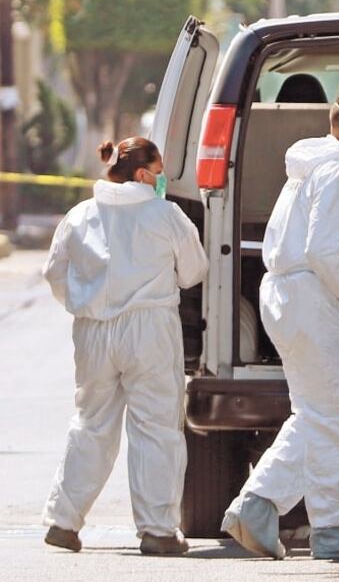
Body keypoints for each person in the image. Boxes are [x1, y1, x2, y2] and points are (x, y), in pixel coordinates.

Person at [221, 85, 339, 560]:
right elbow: (324, 249)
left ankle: (260, 506)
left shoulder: (311, 169)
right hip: (316, 297)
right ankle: (334, 529)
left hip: (288, 295)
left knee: (317, 415)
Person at [41, 137, 208, 555]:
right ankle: (157, 531)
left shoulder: (79, 215)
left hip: (93, 330)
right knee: (156, 428)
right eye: (159, 169)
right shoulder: (165, 213)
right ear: (142, 174)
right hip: (149, 328)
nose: (163, 177)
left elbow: (53, 273)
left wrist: (85, 305)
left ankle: (63, 521)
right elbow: (194, 272)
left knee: (90, 424)